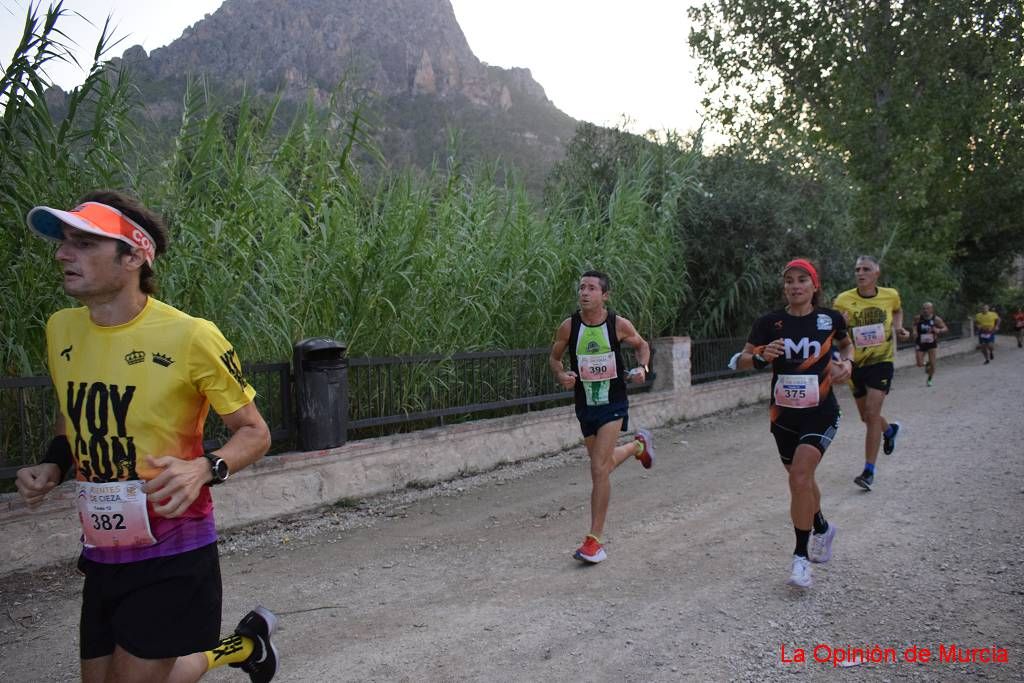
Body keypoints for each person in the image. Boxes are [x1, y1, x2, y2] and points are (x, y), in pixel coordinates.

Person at [14, 191, 279, 683]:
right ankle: (244, 646)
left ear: (133, 256)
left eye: (85, 242)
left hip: (174, 551)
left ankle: (243, 645)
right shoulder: (60, 329)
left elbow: (255, 433)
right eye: (63, 242)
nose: (62, 254)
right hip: (103, 550)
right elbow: (72, 418)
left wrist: (205, 466)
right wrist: (54, 463)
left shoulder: (192, 336)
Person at [732, 259, 853, 588]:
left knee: (800, 476)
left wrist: (848, 364)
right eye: (789, 281)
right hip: (783, 417)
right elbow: (740, 360)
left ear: (815, 286)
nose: (795, 285)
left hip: (821, 411)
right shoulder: (769, 323)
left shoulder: (830, 319)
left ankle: (800, 558)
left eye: (802, 280)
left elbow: (845, 344)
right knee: (802, 480)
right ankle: (823, 527)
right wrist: (760, 356)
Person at [549, 270, 654, 564]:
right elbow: (554, 358)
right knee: (603, 465)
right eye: (582, 287)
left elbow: (642, 346)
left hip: (613, 403)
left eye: (592, 288)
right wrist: (561, 375)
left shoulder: (617, 324)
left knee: (597, 468)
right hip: (585, 405)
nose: (584, 292)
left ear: (604, 295)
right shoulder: (569, 327)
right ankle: (637, 447)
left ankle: (594, 541)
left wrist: (642, 369)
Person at [832, 255, 910, 491]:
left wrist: (898, 327)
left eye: (866, 269)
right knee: (867, 418)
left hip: (882, 360)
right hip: (856, 363)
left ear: (877, 273)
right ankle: (890, 430)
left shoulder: (890, 294)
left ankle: (869, 471)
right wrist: (840, 324)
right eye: (857, 269)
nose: (860, 273)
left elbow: (897, 310)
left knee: (872, 411)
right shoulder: (843, 300)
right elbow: (835, 333)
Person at [911, 302, 949, 386]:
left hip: (931, 343)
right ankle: (926, 363)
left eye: (927, 308)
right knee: (919, 363)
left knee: (933, 364)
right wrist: (914, 331)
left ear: (932, 309)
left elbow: (945, 328)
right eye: (924, 308)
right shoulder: (918, 318)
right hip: (920, 342)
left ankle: (929, 380)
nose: (925, 310)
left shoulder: (936, 319)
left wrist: (939, 330)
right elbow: (914, 325)